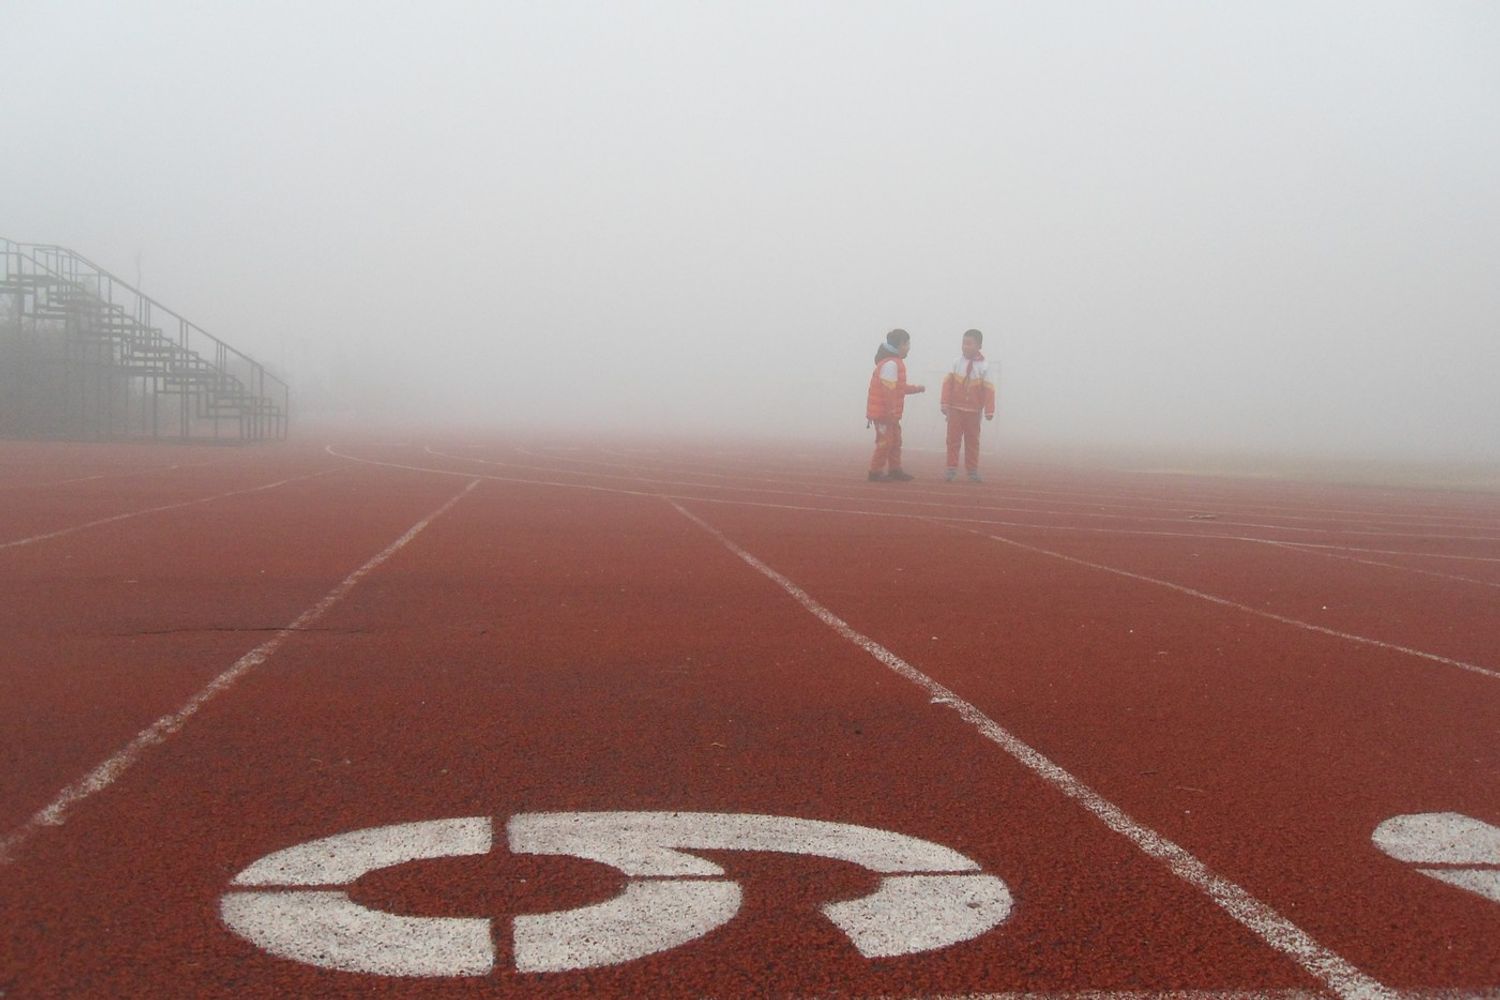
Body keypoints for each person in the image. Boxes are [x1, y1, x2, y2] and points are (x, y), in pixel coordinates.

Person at [865, 328, 925, 481]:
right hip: (884, 414)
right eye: (907, 344)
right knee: (885, 442)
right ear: (900, 345)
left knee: (896, 441)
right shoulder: (891, 364)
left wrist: (916, 389)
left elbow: (898, 388)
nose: (909, 347)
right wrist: (891, 411)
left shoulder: (895, 363)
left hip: (890, 414)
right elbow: (888, 390)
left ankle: (895, 469)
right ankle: (875, 471)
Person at [939, 328, 996, 482]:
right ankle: (951, 468)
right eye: (963, 343)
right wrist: (944, 402)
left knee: (972, 441)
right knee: (952, 439)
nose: (965, 347)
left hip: (974, 411)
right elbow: (947, 384)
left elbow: (989, 389)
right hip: (955, 409)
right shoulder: (956, 362)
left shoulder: (984, 366)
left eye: (969, 344)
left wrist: (989, 410)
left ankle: (972, 470)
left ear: (979, 346)